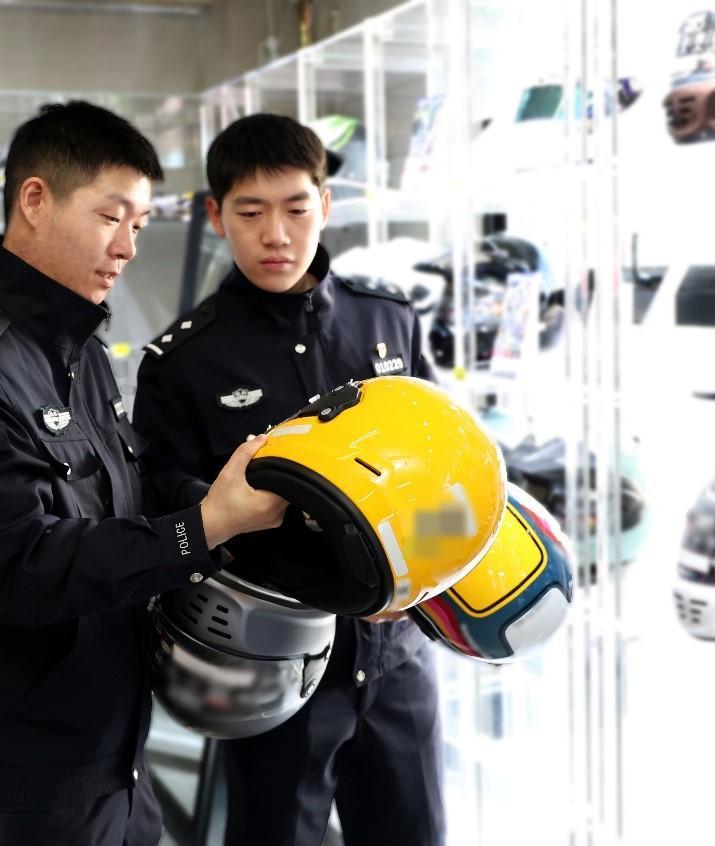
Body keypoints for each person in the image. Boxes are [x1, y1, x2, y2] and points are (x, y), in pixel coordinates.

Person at [0, 101, 286, 846]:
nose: (127, 247)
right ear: (34, 201)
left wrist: (233, 502)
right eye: (111, 217)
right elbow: (24, 568)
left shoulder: (80, 349)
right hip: (20, 780)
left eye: (140, 224)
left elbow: (125, 495)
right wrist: (204, 527)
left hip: (115, 754)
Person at [132, 113, 445, 846]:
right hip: (268, 666)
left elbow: (446, 468)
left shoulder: (388, 321)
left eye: (296, 208)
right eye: (250, 213)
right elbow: (159, 497)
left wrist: (425, 582)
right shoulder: (182, 362)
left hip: (398, 656)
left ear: (325, 205)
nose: (276, 234)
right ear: (217, 217)